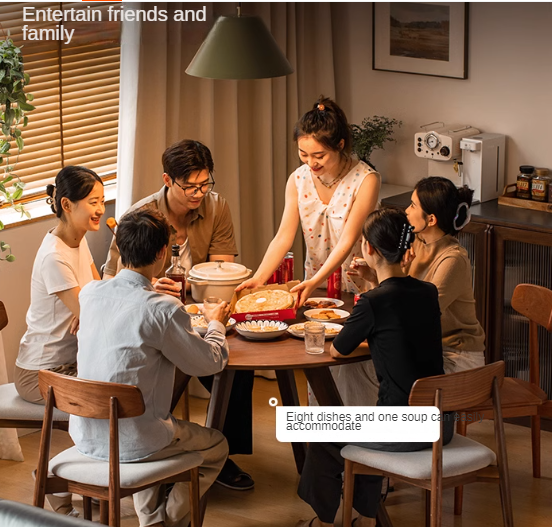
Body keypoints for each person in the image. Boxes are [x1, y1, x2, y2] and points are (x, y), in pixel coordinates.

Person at [72, 205, 230, 527]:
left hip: (85, 433)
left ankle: (152, 523)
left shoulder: (90, 293)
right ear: (162, 253)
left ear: (121, 247)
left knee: (149, 421)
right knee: (215, 446)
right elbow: (210, 362)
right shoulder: (162, 309)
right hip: (135, 442)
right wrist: (216, 321)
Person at [104, 139, 255, 490]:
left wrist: (195, 296)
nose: (199, 193)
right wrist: (151, 288)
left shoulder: (216, 208)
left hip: (200, 309)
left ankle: (223, 454)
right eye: (190, 186)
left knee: (235, 372)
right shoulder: (141, 217)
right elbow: (113, 278)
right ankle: (163, 449)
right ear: (168, 180)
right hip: (153, 314)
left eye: (205, 184)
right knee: (197, 364)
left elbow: (222, 269)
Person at [295, 207, 450, 527]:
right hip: (440, 424)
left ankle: (324, 526)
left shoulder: (372, 302)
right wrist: (372, 287)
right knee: (365, 422)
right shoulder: (426, 293)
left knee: (318, 429)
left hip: (399, 429)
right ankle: (365, 523)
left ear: (368, 249)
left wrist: (367, 295)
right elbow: (398, 314)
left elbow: (340, 351)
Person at [14, 165, 105, 517]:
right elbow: (95, 314)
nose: (100, 209)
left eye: (101, 200)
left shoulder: (77, 242)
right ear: (67, 204)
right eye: (93, 202)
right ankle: (53, 479)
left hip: (70, 362)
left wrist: (89, 309)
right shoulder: (55, 255)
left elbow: (97, 296)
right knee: (107, 400)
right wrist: (89, 310)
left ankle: (92, 480)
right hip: (40, 372)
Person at [237, 96, 380, 306]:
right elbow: (283, 237)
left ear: (340, 145)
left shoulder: (366, 180)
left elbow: (347, 241)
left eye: (319, 156)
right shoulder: (298, 179)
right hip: (315, 287)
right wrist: (259, 278)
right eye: (303, 154)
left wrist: (314, 281)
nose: (311, 163)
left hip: (358, 283)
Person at [404, 176, 485, 373]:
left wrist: (395, 278)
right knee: (358, 367)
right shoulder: (415, 243)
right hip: (424, 347)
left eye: (413, 205)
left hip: (456, 357)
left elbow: (420, 314)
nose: (406, 210)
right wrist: (372, 277)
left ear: (431, 219)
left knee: (370, 369)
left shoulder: (453, 260)